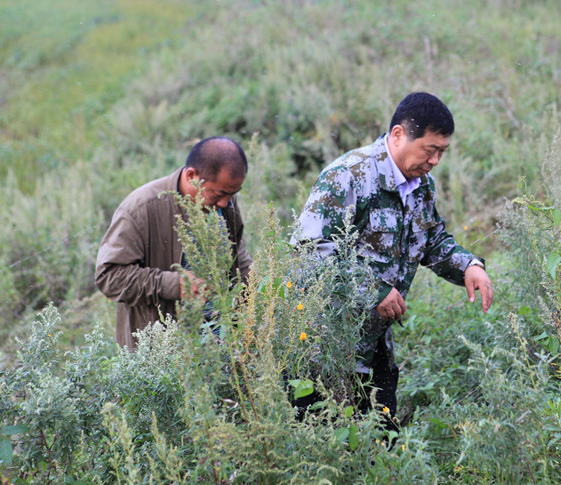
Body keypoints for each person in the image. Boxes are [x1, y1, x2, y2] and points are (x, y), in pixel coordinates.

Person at [292, 92, 494, 424]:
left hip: (376, 350)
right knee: (323, 448)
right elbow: (311, 252)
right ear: (398, 135)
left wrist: (469, 265)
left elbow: (431, 240)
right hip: (326, 349)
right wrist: (374, 289)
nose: (435, 162)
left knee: (379, 448)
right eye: (430, 150)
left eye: (442, 152)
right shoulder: (348, 175)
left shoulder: (421, 184)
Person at [96, 137, 252, 350]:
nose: (225, 203)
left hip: (222, 354)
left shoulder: (224, 203)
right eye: (220, 194)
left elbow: (239, 262)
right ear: (191, 176)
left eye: (233, 194)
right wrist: (174, 284)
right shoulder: (141, 208)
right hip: (163, 360)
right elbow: (109, 276)